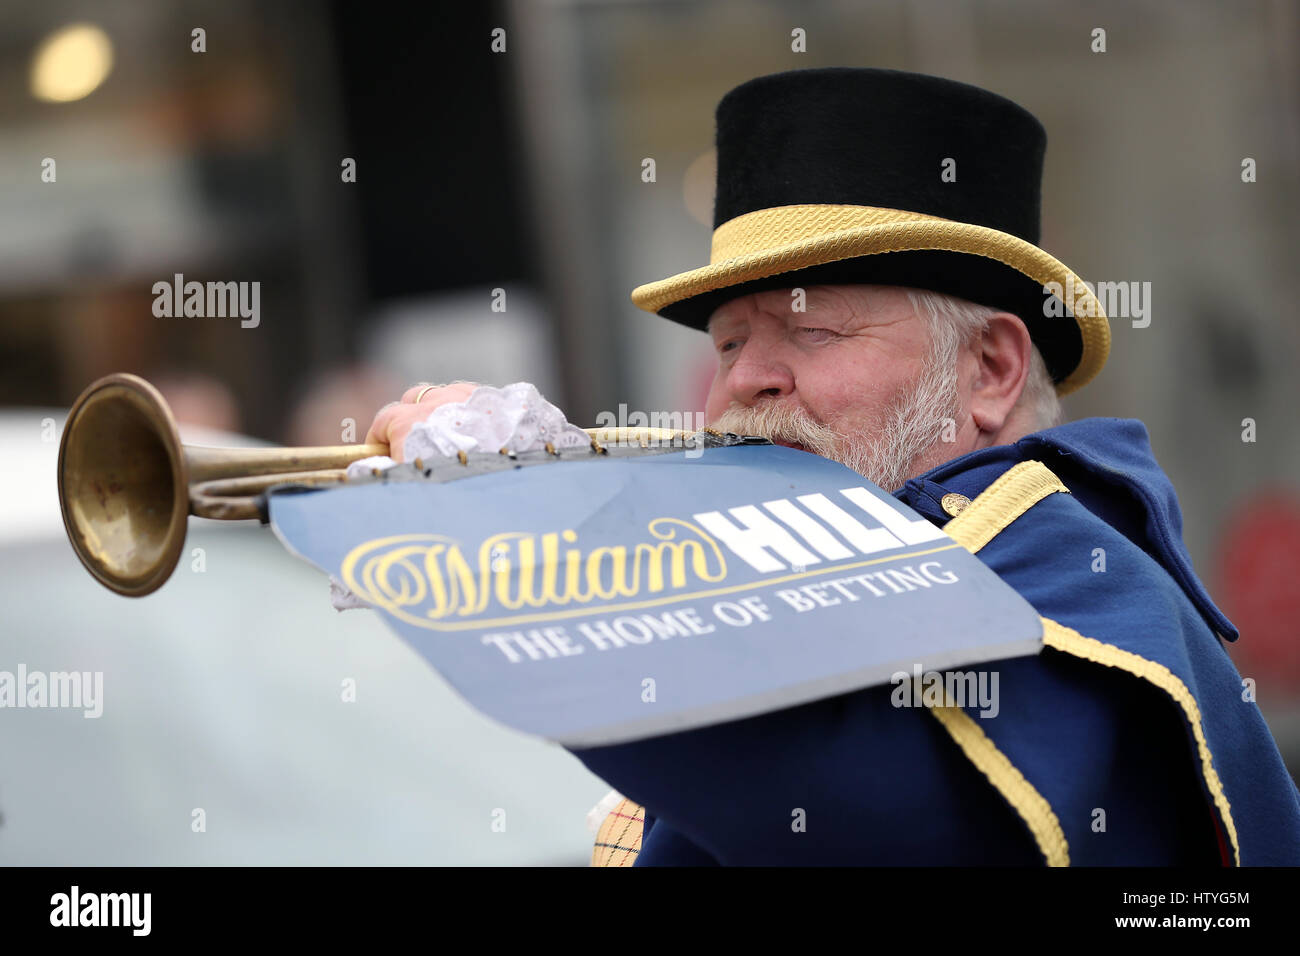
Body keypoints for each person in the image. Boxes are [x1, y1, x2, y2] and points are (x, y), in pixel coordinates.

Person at [365, 68, 1300, 865]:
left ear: (990, 370)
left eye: (810, 329)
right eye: (729, 346)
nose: (750, 382)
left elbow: (860, 813)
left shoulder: (1066, 575)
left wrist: (531, 530)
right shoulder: (822, 567)